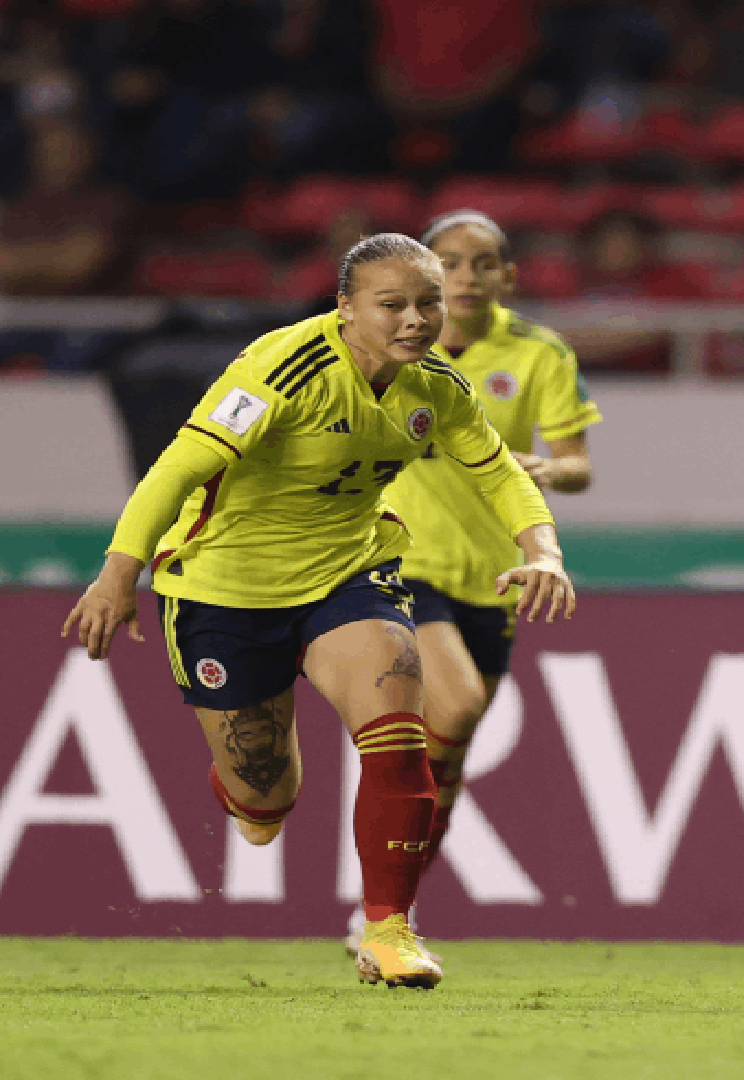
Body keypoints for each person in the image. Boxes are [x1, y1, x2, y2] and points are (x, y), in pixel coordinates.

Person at [60, 232, 576, 990]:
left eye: (427, 304)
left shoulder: (435, 387)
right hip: (226, 589)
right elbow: (179, 466)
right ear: (346, 308)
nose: (415, 320)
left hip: (348, 576)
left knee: (401, 732)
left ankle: (388, 932)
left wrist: (544, 552)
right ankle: (247, 796)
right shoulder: (281, 369)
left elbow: (499, 471)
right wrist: (118, 575)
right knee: (266, 794)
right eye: (392, 305)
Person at [338, 210, 601, 953]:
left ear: (507, 276)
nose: (464, 276)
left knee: (447, 754)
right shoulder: (384, 349)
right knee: (456, 702)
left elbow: (577, 462)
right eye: (449, 262)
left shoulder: (539, 353)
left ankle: (391, 913)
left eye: (482, 263)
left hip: (497, 573)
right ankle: (385, 906)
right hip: (401, 560)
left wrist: (551, 469)